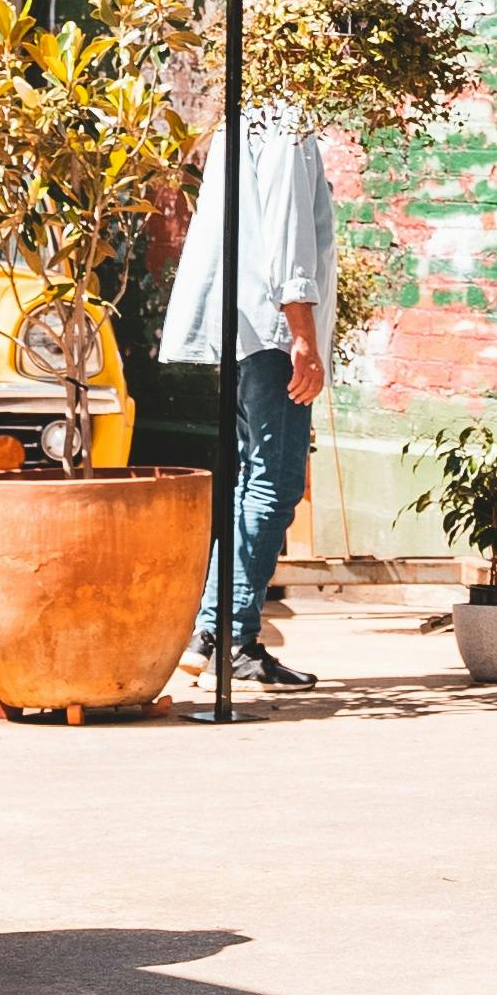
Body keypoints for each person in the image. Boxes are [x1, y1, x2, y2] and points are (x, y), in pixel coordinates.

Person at [156, 112, 335, 687]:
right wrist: (302, 335)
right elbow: (287, 236)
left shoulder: (249, 117)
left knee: (254, 480)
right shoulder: (287, 122)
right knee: (275, 481)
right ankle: (230, 632)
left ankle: (220, 629)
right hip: (274, 333)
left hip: (249, 328)